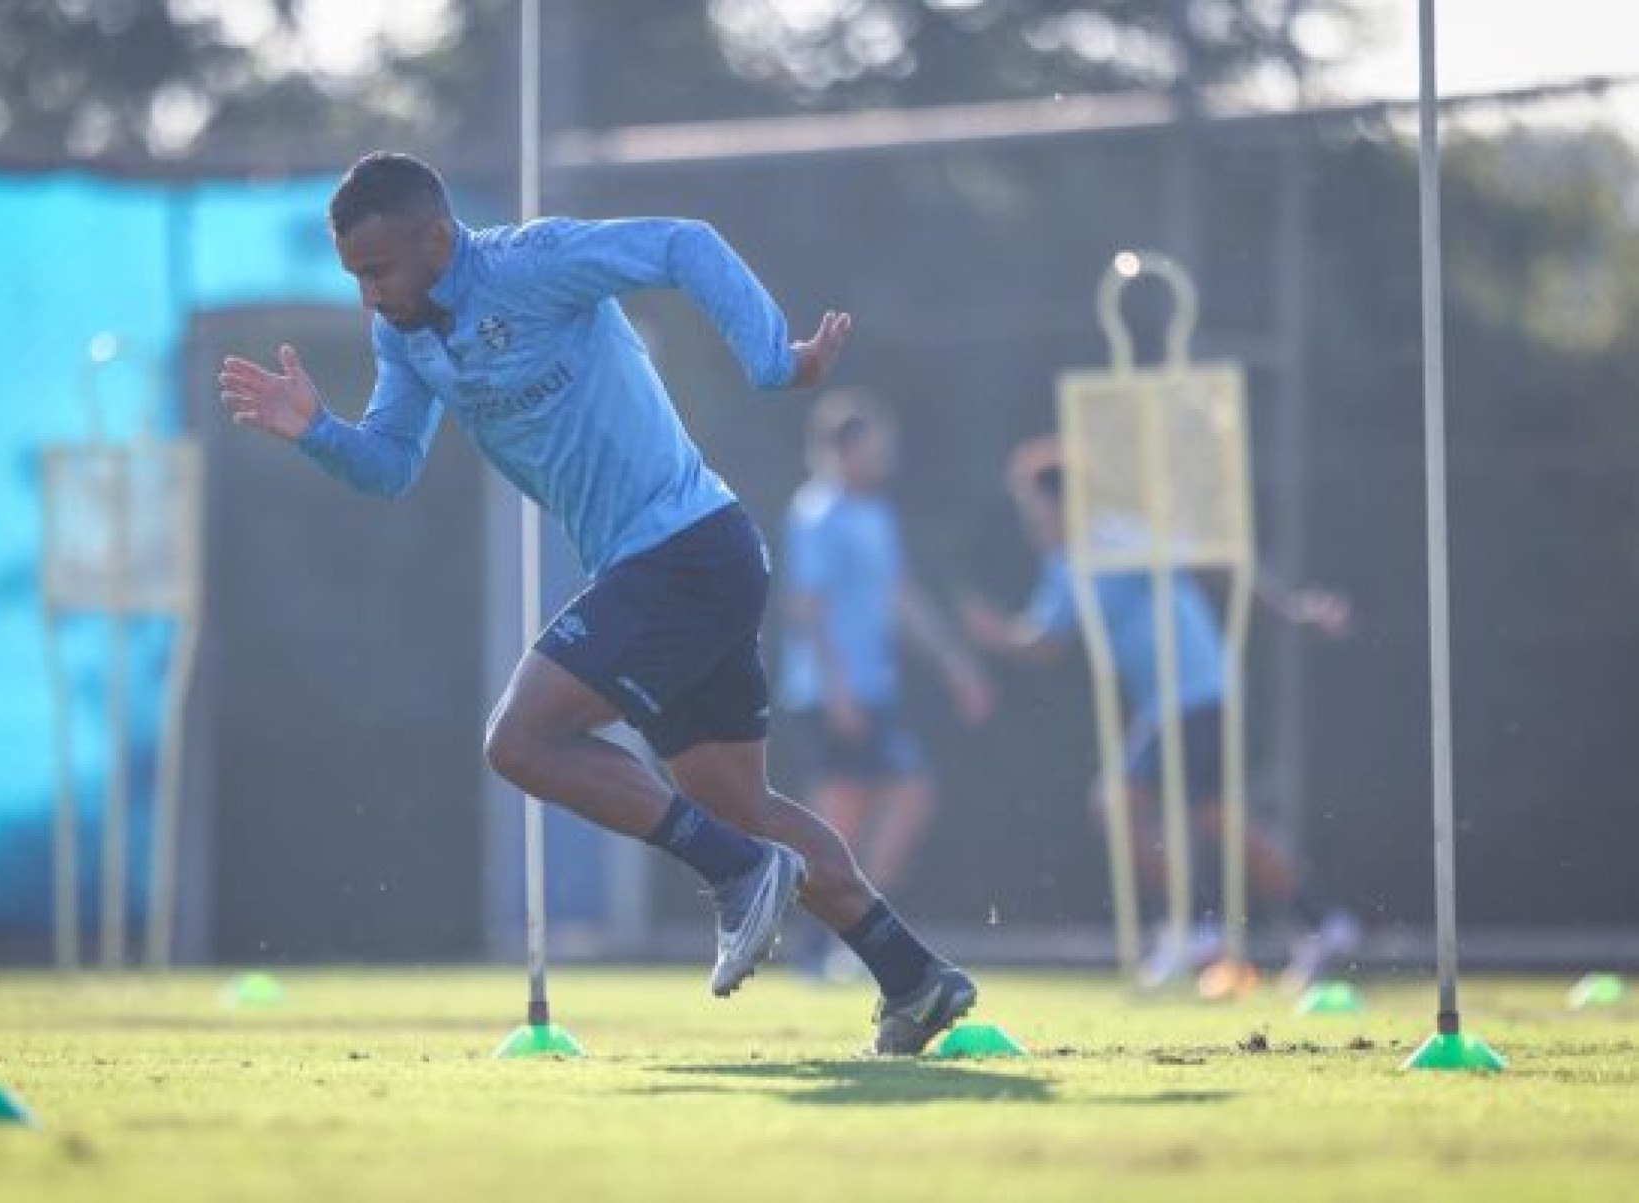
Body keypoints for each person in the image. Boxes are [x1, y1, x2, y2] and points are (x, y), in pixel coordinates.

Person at [217, 152, 977, 1053]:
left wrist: (774, 360)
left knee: (522, 740)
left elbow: (683, 244)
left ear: (436, 236)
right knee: (745, 805)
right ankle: (914, 977)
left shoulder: (531, 263)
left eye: (378, 270)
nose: (369, 297)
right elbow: (389, 465)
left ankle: (740, 874)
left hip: (687, 550)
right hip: (680, 563)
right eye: (355, 278)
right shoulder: (404, 333)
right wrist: (316, 431)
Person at [961, 437, 1359, 990]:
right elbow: (1048, 641)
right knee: (1220, 819)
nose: (1032, 521)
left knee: (1115, 804)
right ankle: (1323, 924)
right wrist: (999, 638)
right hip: (1174, 700)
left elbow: (1214, 558)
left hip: (1194, 691)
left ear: (1064, 503)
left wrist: (1290, 611)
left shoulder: (1117, 537)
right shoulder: (1064, 562)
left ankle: (1195, 929)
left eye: (1037, 508)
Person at [780, 389, 992, 978]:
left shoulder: (877, 514)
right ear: (842, 451)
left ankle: (849, 933)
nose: (885, 457)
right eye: (875, 447)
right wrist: (839, 688)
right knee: (837, 823)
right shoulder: (816, 512)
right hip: (830, 693)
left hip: (873, 691)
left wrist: (955, 663)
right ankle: (817, 946)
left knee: (908, 797)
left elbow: (900, 598)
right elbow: (808, 609)